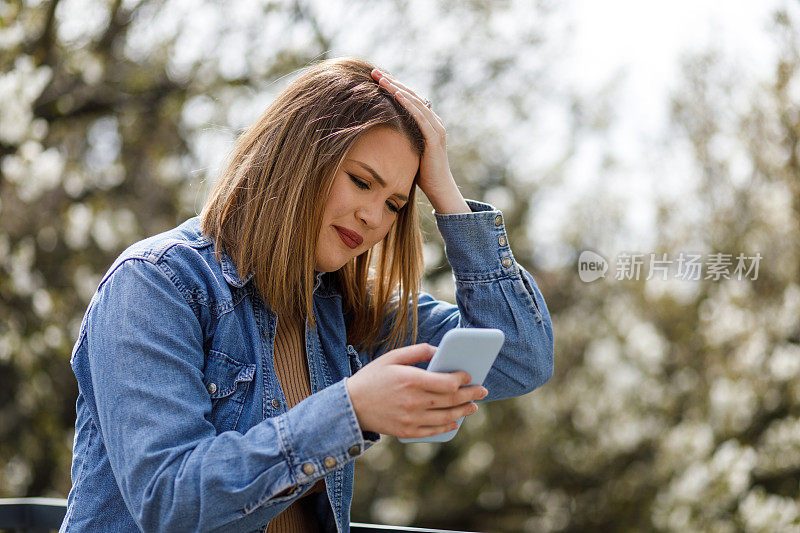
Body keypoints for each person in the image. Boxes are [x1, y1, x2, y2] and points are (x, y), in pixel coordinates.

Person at [59, 56, 554, 533]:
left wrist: (444, 190)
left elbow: (520, 355)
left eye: (395, 204)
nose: (374, 217)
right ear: (299, 156)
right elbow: (170, 503)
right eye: (362, 182)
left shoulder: (348, 308)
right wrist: (349, 412)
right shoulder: (158, 284)